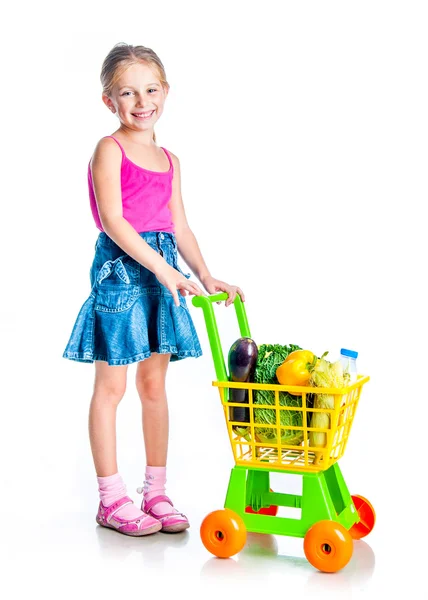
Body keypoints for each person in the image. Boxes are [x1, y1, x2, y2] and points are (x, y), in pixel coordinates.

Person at [63, 43, 245, 537]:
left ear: (165, 92)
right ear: (109, 101)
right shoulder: (110, 148)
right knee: (113, 387)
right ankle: (110, 498)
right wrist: (164, 271)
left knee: (153, 386)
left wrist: (205, 275)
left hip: (164, 272)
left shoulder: (170, 159)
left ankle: (156, 491)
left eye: (150, 89)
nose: (141, 101)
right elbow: (113, 222)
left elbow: (179, 226)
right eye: (127, 92)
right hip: (122, 275)